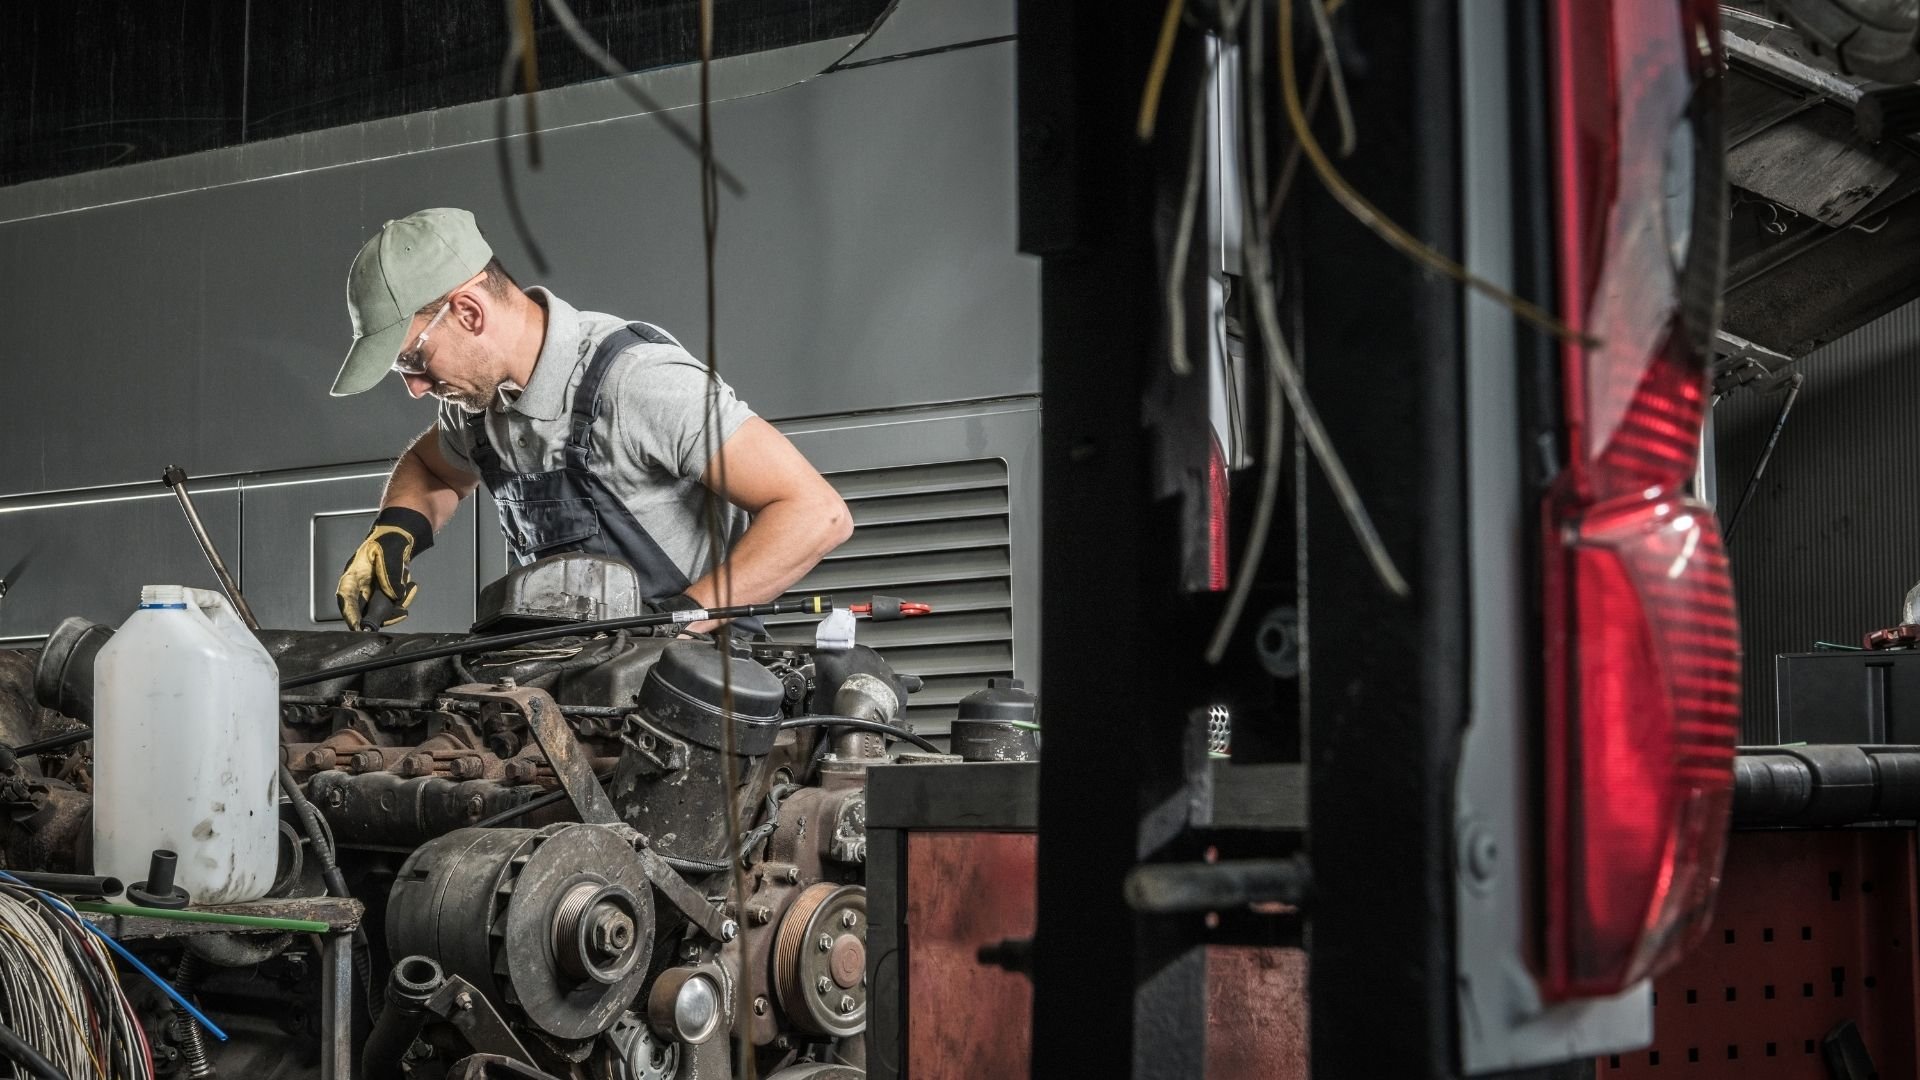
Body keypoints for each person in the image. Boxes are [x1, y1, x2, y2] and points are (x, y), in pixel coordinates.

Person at [329, 207, 851, 634]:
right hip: (568, 678)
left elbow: (815, 513)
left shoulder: (635, 382)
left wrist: (676, 621)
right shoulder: (476, 407)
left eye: (414, 361)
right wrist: (395, 531)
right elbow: (433, 467)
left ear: (469, 314)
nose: (416, 387)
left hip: (694, 684)